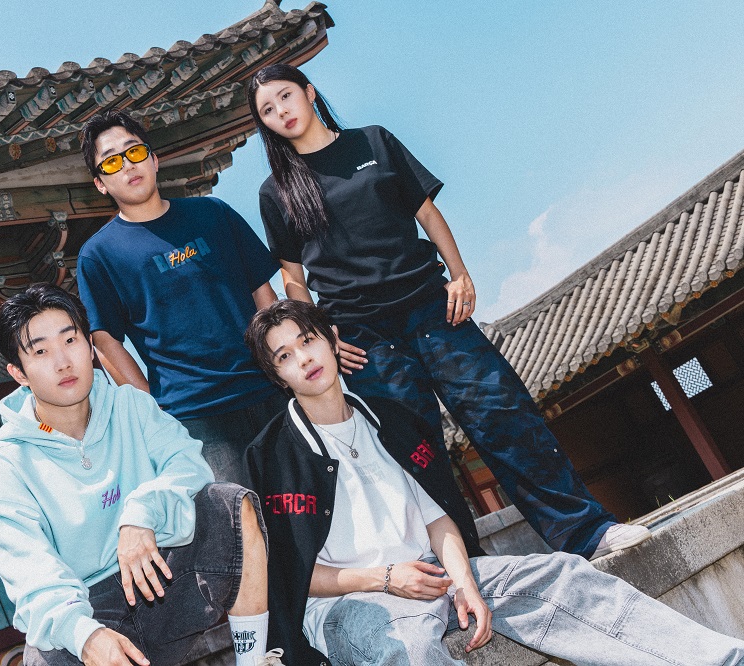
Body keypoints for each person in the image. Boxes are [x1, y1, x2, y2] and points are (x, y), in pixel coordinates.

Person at [247, 63, 647, 559]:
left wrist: (459, 274)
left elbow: (427, 213)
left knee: (505, 418)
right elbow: (292, 277)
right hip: (365, 340)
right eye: (268, 110)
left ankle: (588, 533)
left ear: (309, 92)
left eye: (286, 96)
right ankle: (465, 570)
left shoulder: (373, 141)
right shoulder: (276, 192)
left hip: (436, 312)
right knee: (417, 456)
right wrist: (322, 336)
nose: (281, 111)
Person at [243, 299, 744, 666]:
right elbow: (293, 574)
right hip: (349, 602)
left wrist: (463, 582)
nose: (303, 358)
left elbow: (439, 519)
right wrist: (387, 578)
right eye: (284, 356)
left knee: (562, 575)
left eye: (308, 340)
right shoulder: (273, 456)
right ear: (277, 376)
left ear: (332, 341)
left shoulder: (391, 420)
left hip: (435, 574)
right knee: (409, 648)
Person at [0, 283, 284, 666]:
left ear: (90, 346)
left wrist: (140, 514)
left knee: (229, 505)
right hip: (87, 605)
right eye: (40, 351)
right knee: (43, 656)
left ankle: (254, 661)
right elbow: (32, 573)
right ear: (18, 373)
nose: (63, 362)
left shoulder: (130, 406)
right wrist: (86, 635)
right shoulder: (6, 469)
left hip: (159, 576)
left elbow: (188, 463)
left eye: (70, 340)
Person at [76, 110, 286, 485]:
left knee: (312, 503)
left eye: (134, 152)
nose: (127, 165)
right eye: (111, 161)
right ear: (100, 183)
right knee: (237, 515)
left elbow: (263, 293)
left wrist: (284, 359)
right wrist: (152, 410)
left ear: (154, 159)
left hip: (268, 387)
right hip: (194, 416)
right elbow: (105, 341)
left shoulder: (212, 213)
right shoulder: (98, 255)